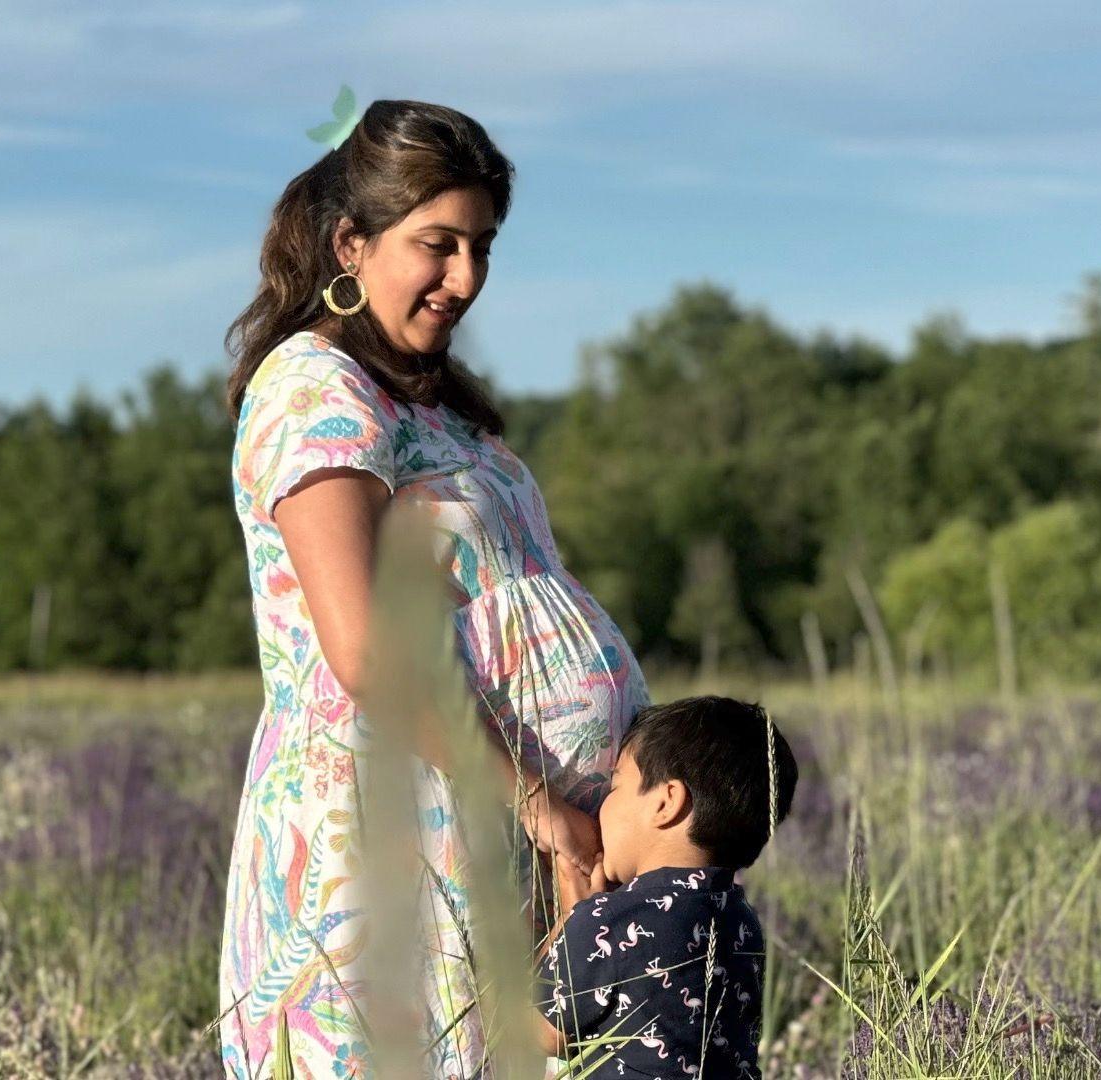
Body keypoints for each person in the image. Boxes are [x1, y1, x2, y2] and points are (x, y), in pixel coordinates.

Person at [217, 98, 651, 1078]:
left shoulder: (429, 399)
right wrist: (539, 804)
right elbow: (366, 649)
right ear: (350, 242)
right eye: (438, 244)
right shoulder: (316, 387)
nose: (465, 278)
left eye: (483, 248)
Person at [533, 695, 798, 1078]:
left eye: (615, 787)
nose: (602, 806)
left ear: (666, 802)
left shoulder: (610, 919)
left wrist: (572, 912)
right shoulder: (744, 923)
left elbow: (540, 1033)